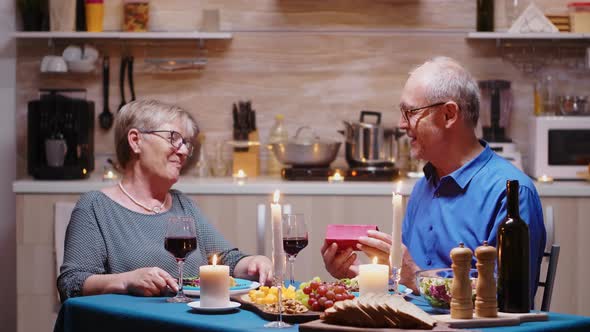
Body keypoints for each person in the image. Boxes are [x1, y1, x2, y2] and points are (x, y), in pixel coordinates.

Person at [322, 57, 546, 302]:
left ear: (449, 114)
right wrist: (357, 275)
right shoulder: (423, 188)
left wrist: (416, 277)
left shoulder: (511, 192)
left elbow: (507, 299)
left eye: (410, 112)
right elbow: (406, 286)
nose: (401, 124)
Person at [58, 100, 272, 301]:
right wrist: (125, 280)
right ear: (135, 140)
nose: (184, 151)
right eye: (173, 138)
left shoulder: (183, 205)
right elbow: (71, 283)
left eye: (187, 143)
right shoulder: (95, 207)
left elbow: (226, 260)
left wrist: (252, 263)